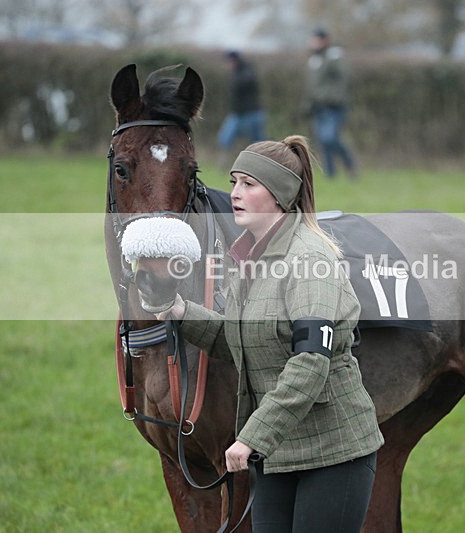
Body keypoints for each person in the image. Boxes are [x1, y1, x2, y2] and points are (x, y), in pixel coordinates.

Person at [157, 136, 383, 532]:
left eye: (249, 184)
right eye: (233, 182)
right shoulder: (251, 259)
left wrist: (251, 437)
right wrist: (181, 312)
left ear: (280, 194)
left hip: (335, 454)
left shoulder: (310, 259)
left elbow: (310, 362)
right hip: (280, 452)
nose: (235, 194)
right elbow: (243, 343)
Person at [302, 28, 358, 179]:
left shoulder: (334, 57)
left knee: (330, 138)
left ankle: (350, 163)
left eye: (316, 40)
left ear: (325, 41)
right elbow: (313, 86)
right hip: (318, 107)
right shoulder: (314, 60)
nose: (313, 43)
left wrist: (330, 56)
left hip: (334, 106)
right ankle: (330, 174)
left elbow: (342, 77)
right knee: (322, 141)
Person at [217, 50, 267, 151]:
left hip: (251, 113)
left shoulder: (246, 72)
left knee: (259, 144)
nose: (226, 66)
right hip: (238, 113)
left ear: (233, 61)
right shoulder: (236, 73)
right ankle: (224, 162)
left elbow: (249, 81)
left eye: (227, 62)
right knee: (224, 140)